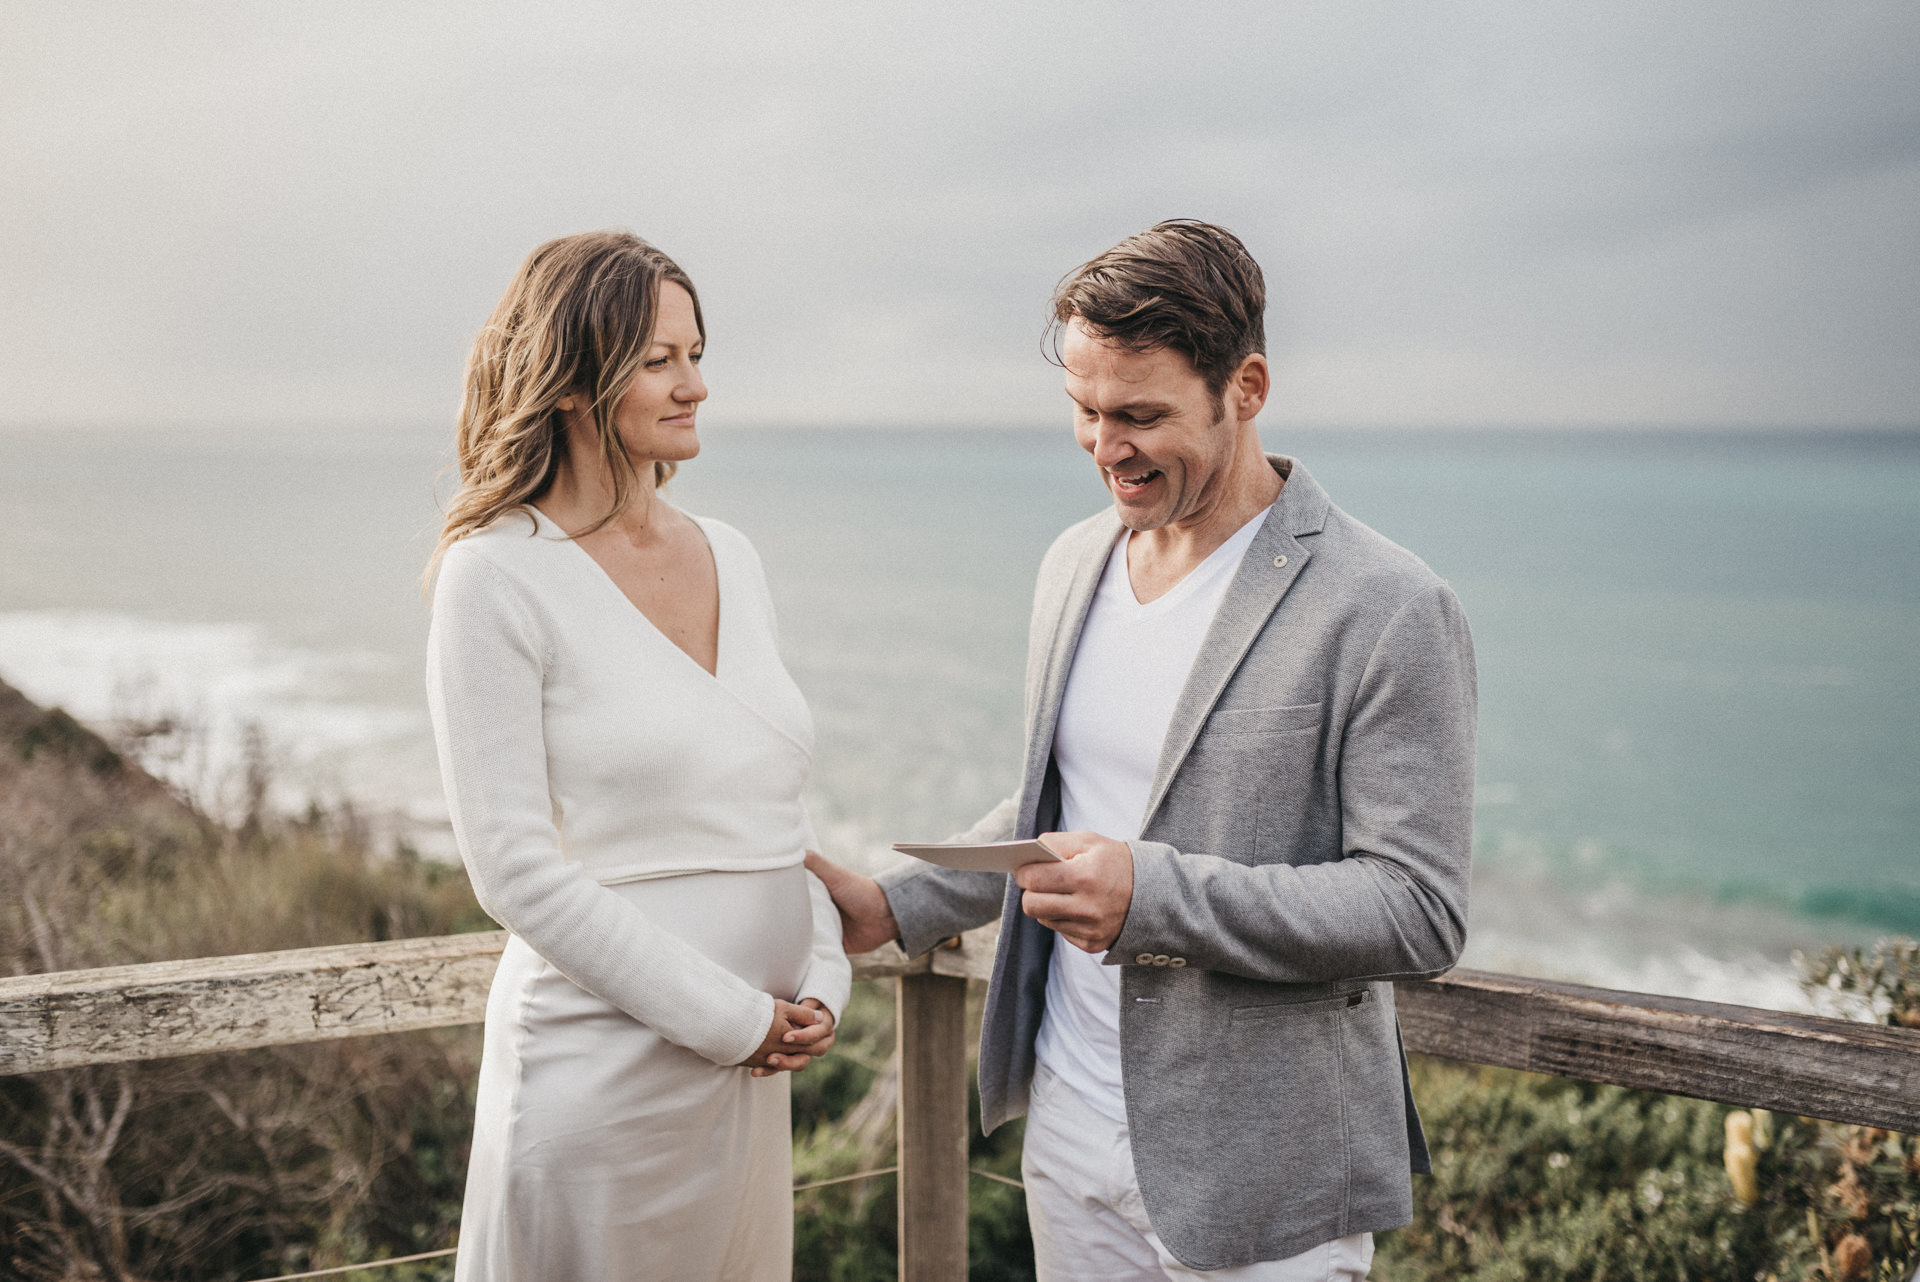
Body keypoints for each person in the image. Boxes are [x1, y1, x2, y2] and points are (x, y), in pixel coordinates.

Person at [808, 220, 1476, 1280]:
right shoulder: (1074, 561)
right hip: (1069, 1120)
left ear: (1245, 387)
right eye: (1083, 409)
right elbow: (1057, 804)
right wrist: (899, 902)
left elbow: (1418, 909)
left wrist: (1152, 895)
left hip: (1264, 1174)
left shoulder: (1389, 606)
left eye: (1141, 415)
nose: (1105, 445)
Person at [426, 230, 850, 1280]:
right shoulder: (494, 577)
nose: (695, 385)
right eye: (661, 359)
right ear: (575, 381)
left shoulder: (733, 556)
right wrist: (729, 1019)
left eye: (696, 354)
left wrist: (823, 981)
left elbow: (772, 814)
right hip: (599, 1081)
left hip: (749, 1083)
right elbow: (514, 869)